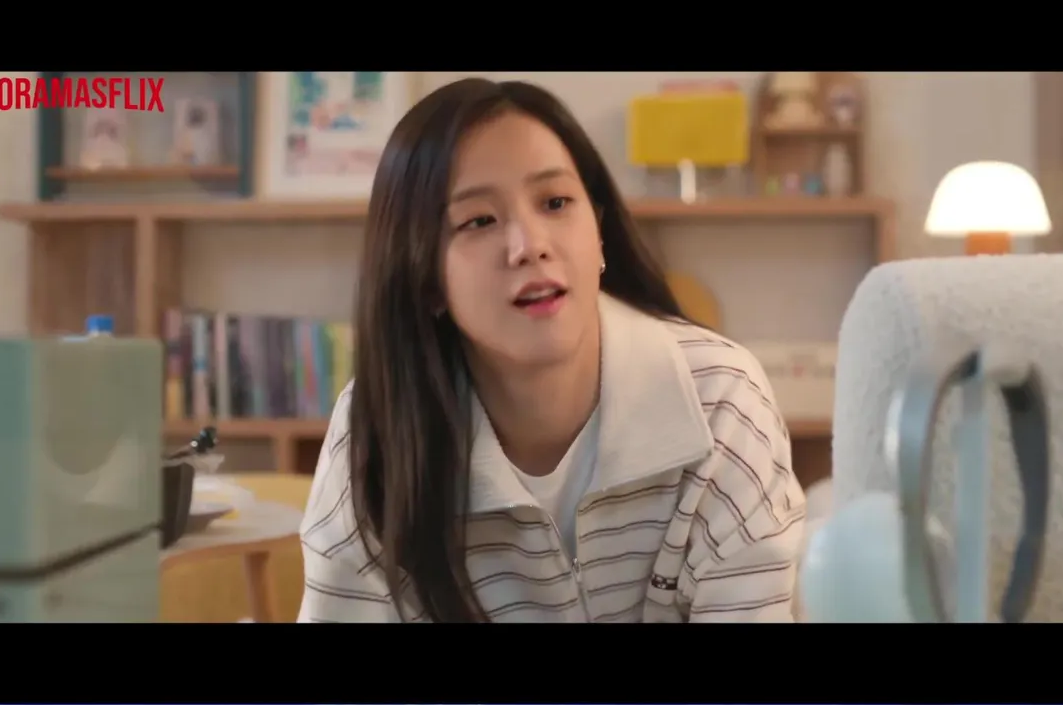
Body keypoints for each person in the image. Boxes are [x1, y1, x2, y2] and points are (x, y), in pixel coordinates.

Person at [298, 78, 807, 623]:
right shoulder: (376, 431)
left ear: (599, 232)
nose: (531, 245)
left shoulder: (722, 400)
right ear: (425, 278)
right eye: (479, 220)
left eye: (556, 202)